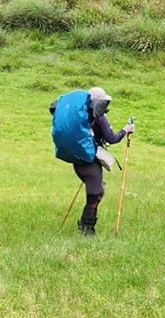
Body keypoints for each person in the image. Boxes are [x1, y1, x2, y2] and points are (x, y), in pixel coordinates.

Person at [52, 86, 134, 235]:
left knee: (97, 192)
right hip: (91, 164)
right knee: (94, 195)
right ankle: (87, 229)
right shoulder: (99, 118)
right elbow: (112, 138)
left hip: (78, 162)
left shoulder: (81, 117)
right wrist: (126, 130)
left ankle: (85, 224)